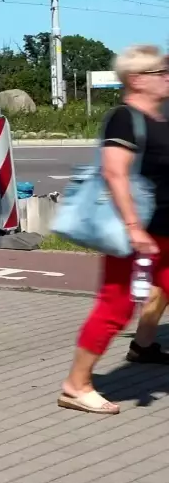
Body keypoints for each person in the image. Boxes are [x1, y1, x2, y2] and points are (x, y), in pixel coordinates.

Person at [59, 45, 169, 414]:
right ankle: (76, 385)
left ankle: (143, 346)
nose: (168, 76)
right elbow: (114, 172)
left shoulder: (162, 115)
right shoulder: (124, 118)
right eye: (161, 72)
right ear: (137, 79)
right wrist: (134, 228)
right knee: (116, 307)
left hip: (166, 231)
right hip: (139, 233)